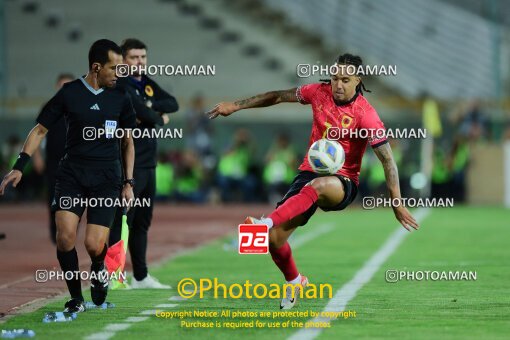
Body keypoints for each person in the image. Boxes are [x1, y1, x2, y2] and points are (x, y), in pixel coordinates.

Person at [207, 53, 419, 309]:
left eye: (345, 79)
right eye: (335, 77)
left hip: (342, 181)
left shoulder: (366, 115)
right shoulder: (317, 92)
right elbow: (277, 95)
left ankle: (263, 223)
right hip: (309, 172)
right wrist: (237, 105)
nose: (338, 84)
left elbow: (388, 160)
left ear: (357, 81)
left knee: (314, 190)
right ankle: (294, 280)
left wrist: (396, 202)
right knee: (275, 240)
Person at [0, 39, 136, 313]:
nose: (119, 73)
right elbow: (39, 130)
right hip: (71, 175)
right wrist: (19, 165)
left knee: (94, 244)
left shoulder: (121, 97)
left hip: (107, 178)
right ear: (96, 67)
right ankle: (76, 297)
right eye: (115, 68)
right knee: (65, 238)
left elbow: (128, 142)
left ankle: (99, 268)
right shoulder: (69, 93)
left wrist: (129, 182)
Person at [109, 38, 178, 289]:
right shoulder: (120, 85)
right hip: (131, 164)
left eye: (143, 57)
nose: (140, 62)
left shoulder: (147, 83)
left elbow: (173, 103)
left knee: (142, 222)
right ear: (123, 61)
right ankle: (113, 274)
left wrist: (149, 108)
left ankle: (140, 276)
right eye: (134, 57)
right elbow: (152, 116)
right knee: (122, 217)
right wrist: (154, 114)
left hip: (149, 163)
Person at [42, 73, 75, 244]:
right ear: (57, 87)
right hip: (53, 162)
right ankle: (56, 232)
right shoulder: (49, 107)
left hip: (75, 163)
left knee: (74, 199)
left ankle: (69, 230)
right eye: (62, 85)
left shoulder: (79, 106)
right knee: (53, 198)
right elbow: (40, 134)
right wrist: (36, 158)